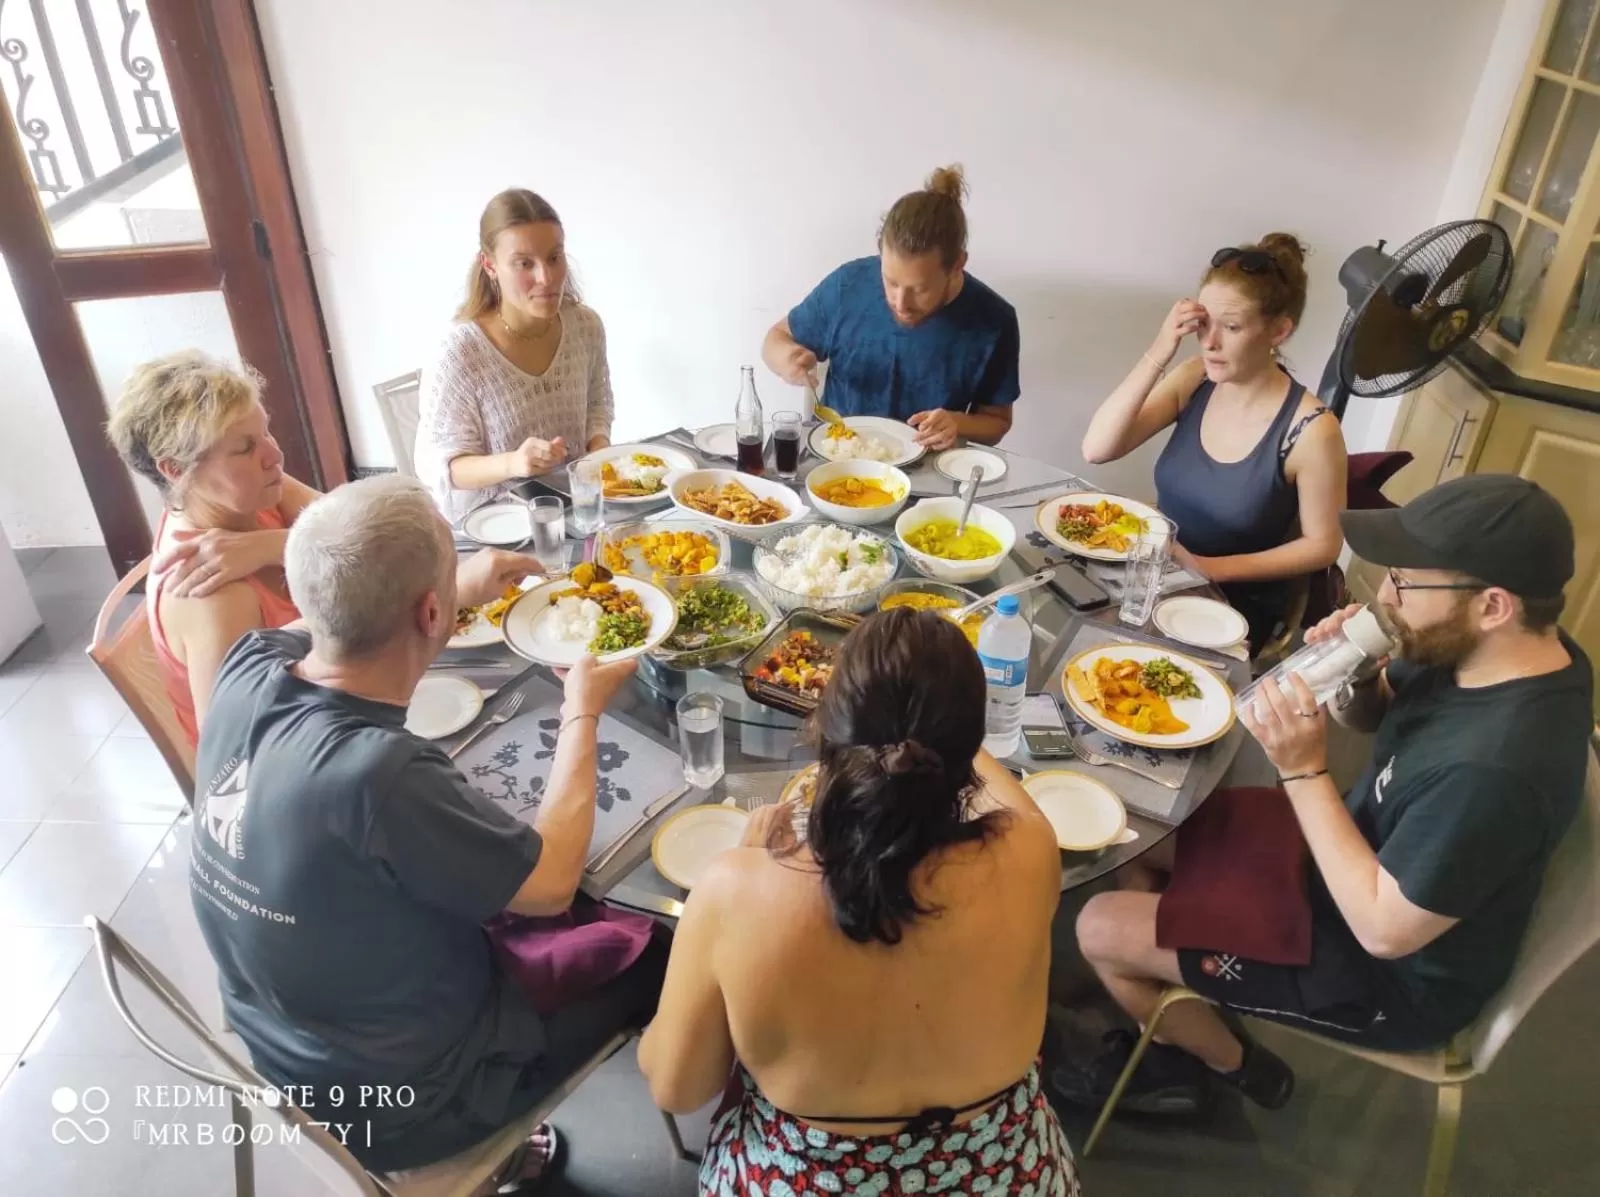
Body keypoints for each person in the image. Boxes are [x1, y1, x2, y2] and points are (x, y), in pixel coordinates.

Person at [1062, 475, 1592, 1116]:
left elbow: (1382, 931)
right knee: (1144, 824)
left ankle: (1229, 1064)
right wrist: (1356, 674)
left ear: (1493, 605)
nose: (1387, 596)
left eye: (1405, 581)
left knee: (1097, 928)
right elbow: (1373, 718)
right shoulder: (1508, 646)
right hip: (1346, 853)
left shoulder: (1497, 770)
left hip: (1386, 972)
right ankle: (1180, 979)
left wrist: (1303, 771)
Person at [187, 475, 664, 1187]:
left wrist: (451, 590)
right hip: (408, 1100)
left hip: (277, 1037)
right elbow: (552, 881)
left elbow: (343, 621)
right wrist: (582, 708)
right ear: (431, 610)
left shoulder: (246, 662)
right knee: (658, 944)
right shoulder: (379, 772)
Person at [638, 608, 1080, 1194]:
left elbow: (678, 1087)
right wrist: (937, 717)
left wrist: (747, 862)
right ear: (968, 744)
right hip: (1004, 1171)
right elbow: (1001, 792)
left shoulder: (736, 890)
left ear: (827, 730)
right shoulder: (1031, 847)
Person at [1081, 234, 1347, 653]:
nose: (1210, 342)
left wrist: (1206, 568)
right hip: (1158, 580)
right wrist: (1160, 348)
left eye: (1233, 327)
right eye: (1203, 324)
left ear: (1279, 329)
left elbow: (1323, 545)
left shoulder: (1312, 430)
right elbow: (1098, 449)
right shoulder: (1195, 378)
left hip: (1230, 609)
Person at [106, 351, 319, 746]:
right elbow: (237, 755)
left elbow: (362, 525)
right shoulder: (212, 595)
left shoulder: (253, 491)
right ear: (175, 469)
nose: (275, 455)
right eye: (244, 447)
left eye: (266, 432)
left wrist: (275, 545)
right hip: (294, 748)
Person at [761, 165, 1021, 452]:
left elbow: (997, 422)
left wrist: (957, 422)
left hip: (928, 468)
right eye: (890, 281)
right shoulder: (848, 285)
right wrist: (785, 359)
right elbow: (775, 338)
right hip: (837, 456)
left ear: (958, 264)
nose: (900, 303)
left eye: (919, 289)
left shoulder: (994, 320)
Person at [416, 188, 614, 522]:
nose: (546, 278)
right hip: (491, 528)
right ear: (490, 265)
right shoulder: (460, 351)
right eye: (524, 263)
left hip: (574, 513)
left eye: (554, 257)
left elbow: (597, 404)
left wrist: (598, 448)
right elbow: (440, 467)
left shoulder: (585, 325)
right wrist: (513, 463)